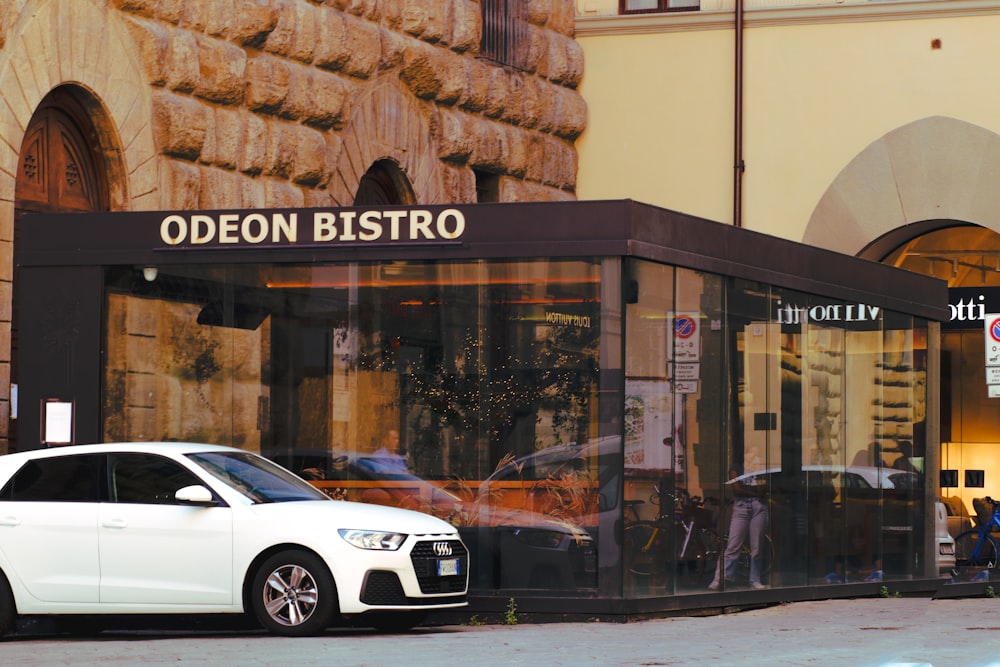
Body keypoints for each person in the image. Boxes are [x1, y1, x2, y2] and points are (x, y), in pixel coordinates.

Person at [709, 468, 769, 590]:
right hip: (741, 506)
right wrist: (754, 492)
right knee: (733, 544)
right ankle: (720, 578)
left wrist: (751, 489)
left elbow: (762, 490)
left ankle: (755, 579)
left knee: (757, 546)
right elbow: (737, 490)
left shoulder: (759, 471)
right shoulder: (736, 468)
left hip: (758, 506)